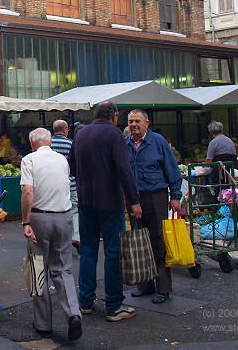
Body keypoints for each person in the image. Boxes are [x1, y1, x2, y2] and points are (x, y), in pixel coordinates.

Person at [73, 101, 141, 322]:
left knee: (88, 249)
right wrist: (134, 200)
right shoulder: (114, 135)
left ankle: (85, 302)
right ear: (114, 116)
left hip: (86, 201)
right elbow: (124, 169)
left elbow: (71, 167)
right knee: (113, 252)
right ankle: (113, 305)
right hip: (110, 202)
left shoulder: (81, 135)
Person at [21, 128, 82, 341]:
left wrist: (26, 220)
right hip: (64, 217)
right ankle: (73, 313)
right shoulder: (62, 160)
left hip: (39, 218)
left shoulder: (29, 160)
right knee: (63, 269)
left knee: (39, 269)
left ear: (32, 143)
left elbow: (28, 191)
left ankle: (43, 322)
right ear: (50, 142)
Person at [126, 109, 182, 304]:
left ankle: (163, 288)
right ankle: (145, 284)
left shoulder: (158, 142)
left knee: (158, 241)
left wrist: (175, 196)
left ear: (147, 123)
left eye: (137, 121)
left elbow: (172, 170)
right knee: (140, 241)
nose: (134, 125)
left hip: (155, 196)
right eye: (131, 121)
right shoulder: (125, 144)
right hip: (134, 199)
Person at [50, 120, 78, 252]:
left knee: (54, 211)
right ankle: (76, 236)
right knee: (74, 211)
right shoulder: (72, 144)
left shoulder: (48, 144)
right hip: (71, 184)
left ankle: (57, 239)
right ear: (66, 129)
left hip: (53, 185)